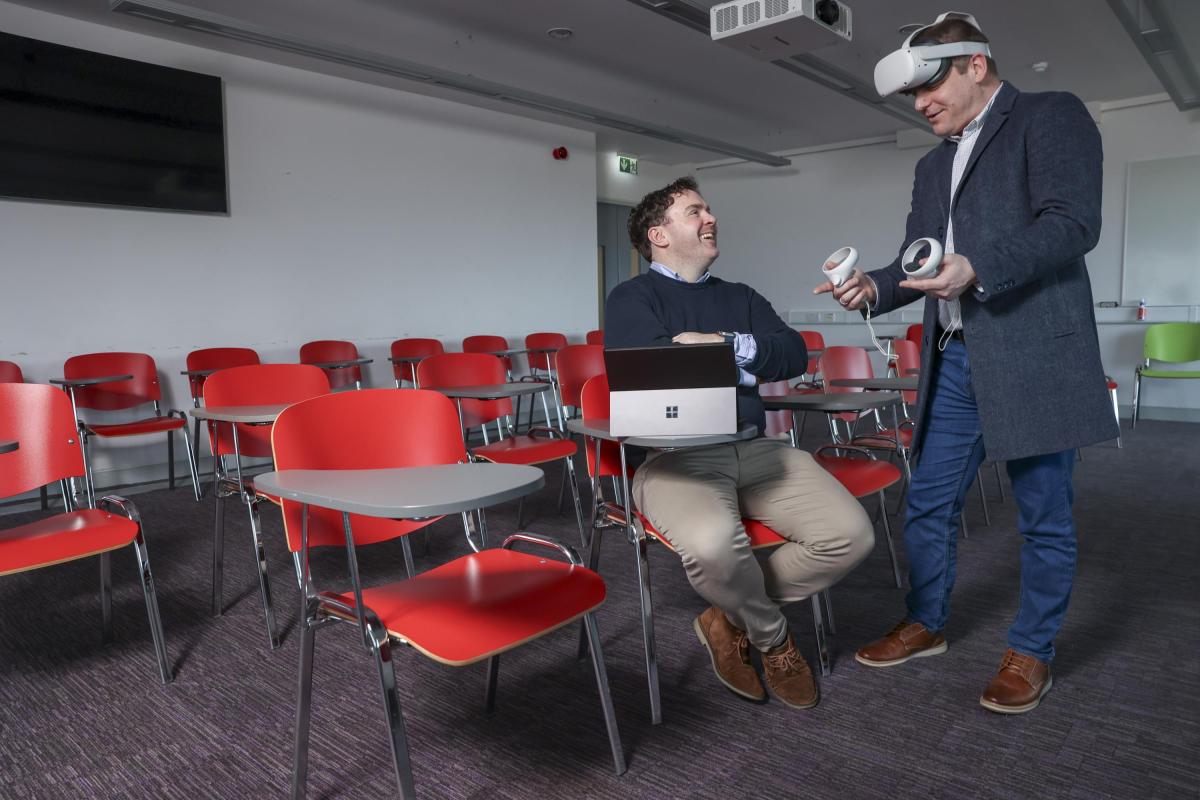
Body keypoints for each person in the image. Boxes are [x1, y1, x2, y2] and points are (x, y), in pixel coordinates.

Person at [815, 12, 1118, 714]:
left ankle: (1032, 650)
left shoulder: (1049, 116)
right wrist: (874, 288)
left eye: (930, 87)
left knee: (1043, 512)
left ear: (975, 64)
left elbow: (1073, 222)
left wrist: (978, 267)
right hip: (954, 359)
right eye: (911, 96)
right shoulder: (932, 163)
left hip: (1031, 352)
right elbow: (919, 262)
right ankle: (926, 621)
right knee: (927, 501)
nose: (921, 105)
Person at [606, 176, 874, 710]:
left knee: (850, 537)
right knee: (713, 548)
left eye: (708, 210)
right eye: (694, 211)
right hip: (677, 460)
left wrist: (721, 344)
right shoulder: (632, 297)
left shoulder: (740, 297)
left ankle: (725, 615)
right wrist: (748, 364)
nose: (711, 219)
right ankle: (773, 639)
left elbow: (794, 353)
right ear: (659, 234)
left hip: (755, 446)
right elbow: (658, 370)